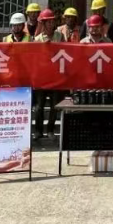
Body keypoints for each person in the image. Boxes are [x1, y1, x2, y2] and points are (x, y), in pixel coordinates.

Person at [33, 9, 65, 139]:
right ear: (43, 23)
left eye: (53, 21)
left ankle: (50, 130)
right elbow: (35, 58)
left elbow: (65, 52)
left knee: (54, 105)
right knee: (39, 107)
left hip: (56, 76)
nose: (51, 24)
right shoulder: (37, 39)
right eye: (48, 22)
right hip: (42, 78)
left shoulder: (60, 36)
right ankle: (38, 131)